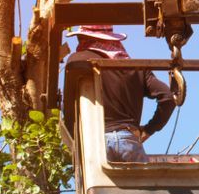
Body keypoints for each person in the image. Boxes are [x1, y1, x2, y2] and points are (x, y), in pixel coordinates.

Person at [65, 25, 175, 163]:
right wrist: (148, 130)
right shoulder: (137, 68)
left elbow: (69, 111)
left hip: (95, 141)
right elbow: (168, 97)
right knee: (143, 185)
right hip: (129, 139)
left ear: (87, 38)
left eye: (81, 38)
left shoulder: (78, 60)